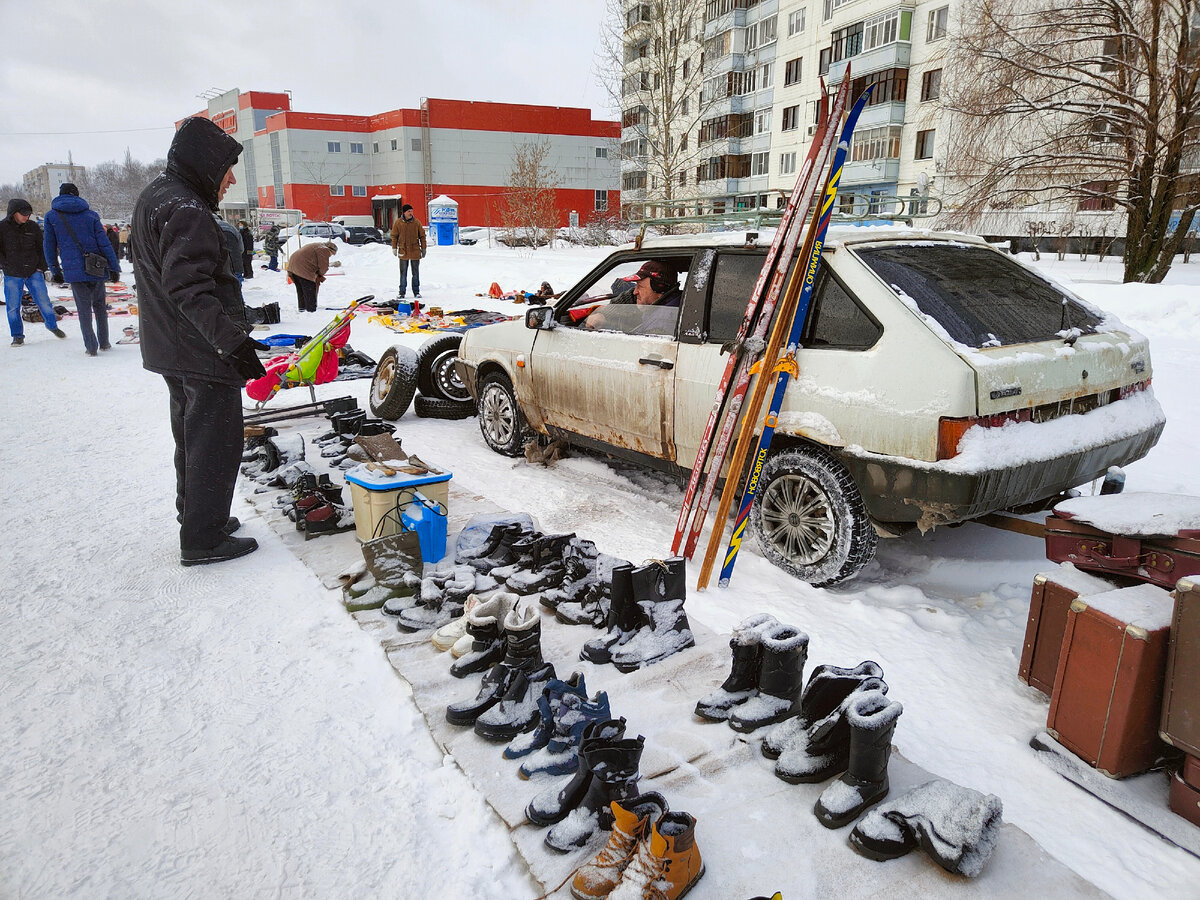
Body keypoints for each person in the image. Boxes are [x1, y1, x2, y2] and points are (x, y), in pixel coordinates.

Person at [132, 115, 268, 567]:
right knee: (215, 443)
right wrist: (232, 342)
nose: (230, 179)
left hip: (173, 347)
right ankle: (203, 539)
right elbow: (189, 288)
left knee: (191, 438)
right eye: (227, 168)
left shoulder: (158, 196)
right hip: (201, 349)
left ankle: (197, 517)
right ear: (206, 163)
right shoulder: (186, 208)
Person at [43, 183, 122, 356]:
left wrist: (55, 270)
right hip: (96, 268)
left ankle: (91, 347)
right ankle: (104, 342)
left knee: (84, 310)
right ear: (77, 195)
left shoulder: (52, 217)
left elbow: (49, 246)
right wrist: (114, 266)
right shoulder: (91, 215)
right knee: (100, 306)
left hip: (73, 270)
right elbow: (104, 243)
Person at [0, 198, 67, 346]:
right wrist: (5, 265)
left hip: (33, 270)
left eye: (28, 214)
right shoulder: (2, 228)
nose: (26, 216)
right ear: (13, 213)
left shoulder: (33, 227)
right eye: (23, 213)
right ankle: (17, 336)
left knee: (44, 301)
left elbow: (42, 248)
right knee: (13, 307)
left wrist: (41, 267)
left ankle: (52, 325)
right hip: (12, 273)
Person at [584, 260, 681, 334]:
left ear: (660, 289)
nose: (635, 291)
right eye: (636, 285)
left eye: (640, 286)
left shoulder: (663, 323)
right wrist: (604, 315)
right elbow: (630, 296)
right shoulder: (661, 300)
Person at [286, 239, 337, 312]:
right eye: (331, 254)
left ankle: (302, 309)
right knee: (309, 289)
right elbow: (323, 266)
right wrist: (320, 274)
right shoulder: (324, 249)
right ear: (331, 250)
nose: (330, 256)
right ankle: (311, 311)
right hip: (303, 269)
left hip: (293, 268)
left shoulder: (317, 245)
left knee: (301, 290)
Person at [389, 203, 426, 298]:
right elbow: (394, 236)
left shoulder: (416, 222)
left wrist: (424, 248)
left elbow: (422, 236)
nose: (411, 213)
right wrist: (394, 247)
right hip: (403, 251)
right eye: (409, 211)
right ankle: (402, 292)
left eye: (412, 211)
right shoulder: (398, 223)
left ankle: (416, 291)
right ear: (404, 212)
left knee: (415, 273)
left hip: (415, 251)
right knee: (403, 273)